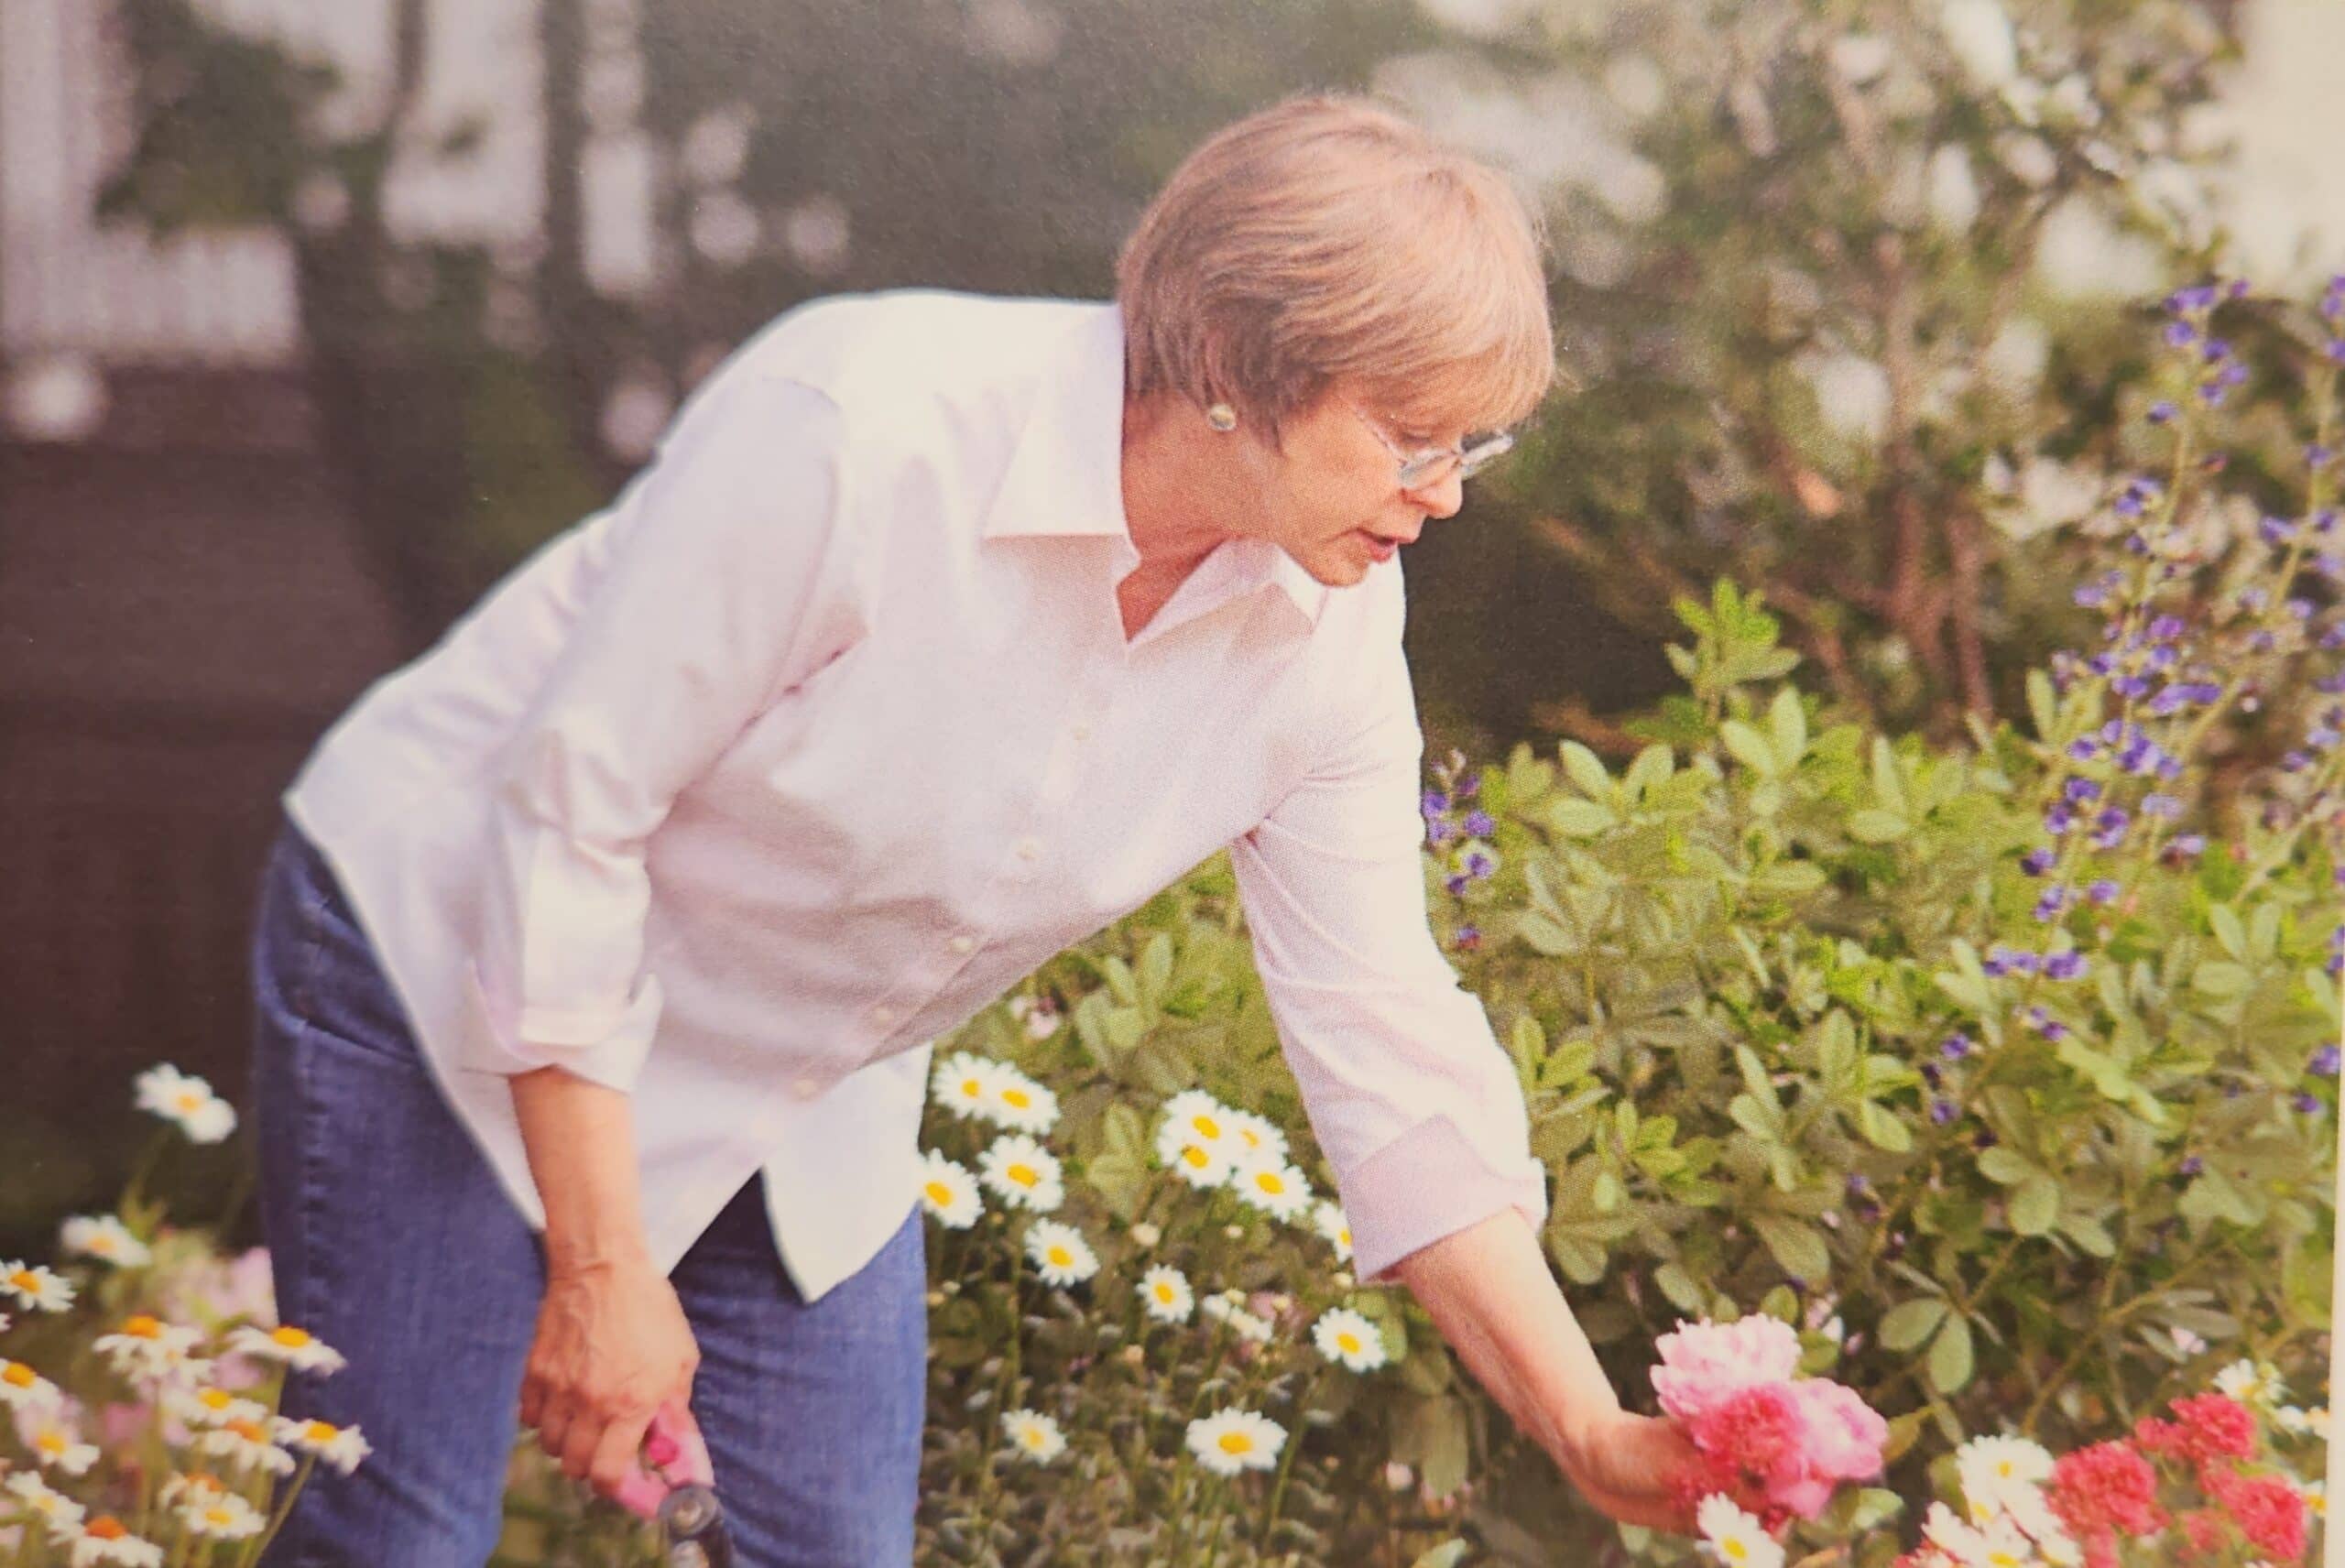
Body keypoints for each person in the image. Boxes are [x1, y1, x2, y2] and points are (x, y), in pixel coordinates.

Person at [247, 92, 1703, 1564]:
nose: (1442, 495)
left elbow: (1381, 1024)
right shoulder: (861, 429)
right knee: (400, 1535)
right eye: (1407, 437)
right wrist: (604, 1264)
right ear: (1232, 364)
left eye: (1469, 445)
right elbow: (568, 816)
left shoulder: (1326, 628)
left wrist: (1586, 1430)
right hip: (459, 951)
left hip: (798, 1072)